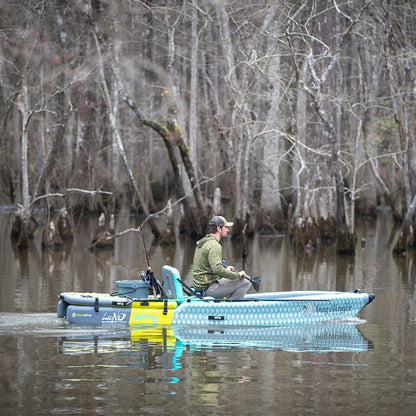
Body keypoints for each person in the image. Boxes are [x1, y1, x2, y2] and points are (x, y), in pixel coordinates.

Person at [192, 215, 251, 300]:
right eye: (226, 227)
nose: (228, 230)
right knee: (246, 282)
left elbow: (209, 270)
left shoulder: (204, 242)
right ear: (219, 229)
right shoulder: (214, 245)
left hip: (200, 288)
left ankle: (226, 302)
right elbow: (217, 269)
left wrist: (226, 271)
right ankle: (230, 310)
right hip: (208, 290)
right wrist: (237, 275)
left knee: (233, 279)